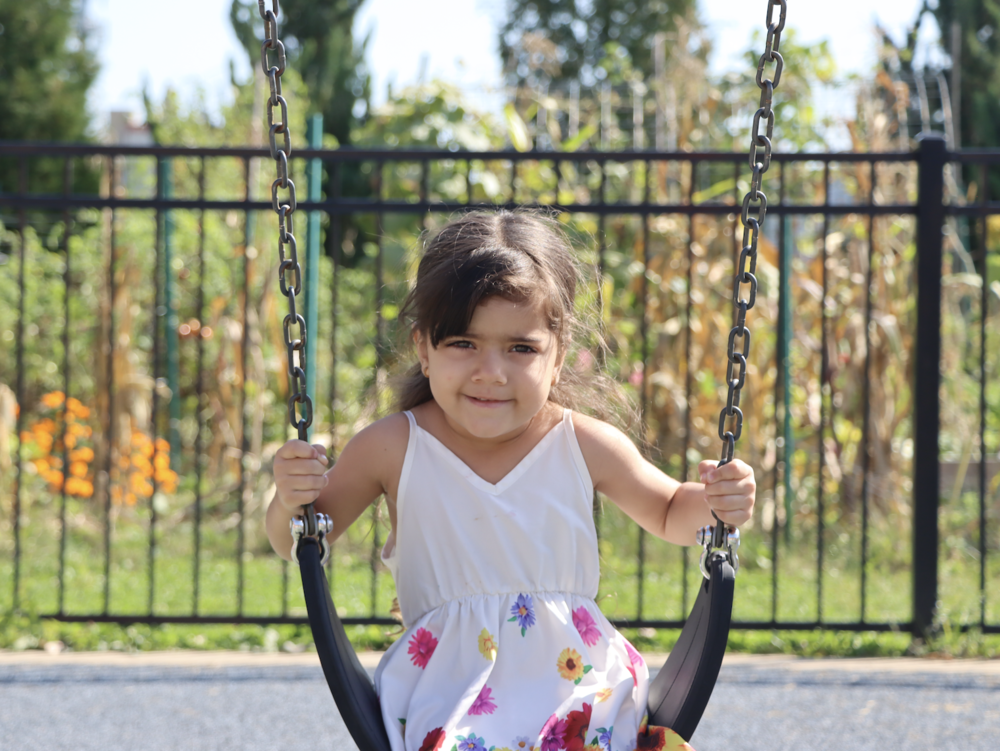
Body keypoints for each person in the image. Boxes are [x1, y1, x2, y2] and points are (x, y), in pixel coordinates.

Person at [267, 211, 755, 751]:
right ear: (424, 348)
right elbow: (299, 538)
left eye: (520, 349)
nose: (491, 372)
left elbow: (668, 512)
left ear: (558, 354)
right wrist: (291, 498)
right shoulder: (393, 446)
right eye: (463, 344)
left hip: (579, 691)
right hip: (447, 693)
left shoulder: (583, 443)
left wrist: (717, 502)